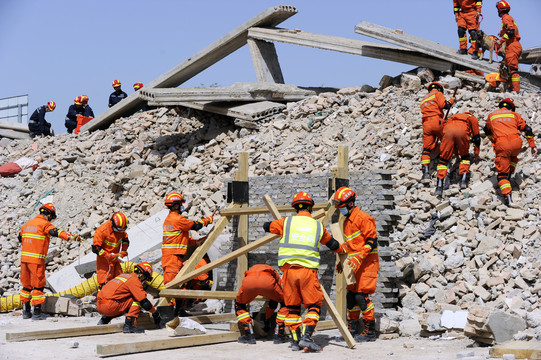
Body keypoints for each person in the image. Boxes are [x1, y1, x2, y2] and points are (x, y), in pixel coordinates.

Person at [263, 191, 343, 352]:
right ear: (311, 208)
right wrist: (343, 249)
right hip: (307, 272)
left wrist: (275, 225)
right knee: (314, 305)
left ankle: (295, 341)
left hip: (289, 273)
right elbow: (333, 245)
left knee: (292, 307)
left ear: (295, 208)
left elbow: (266, 226)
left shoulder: (286, 223)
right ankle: (307, 337)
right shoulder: (317, 226)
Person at [332, 187, 379, 342]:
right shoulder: (346, 222)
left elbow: (372, 242)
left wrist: (360, 257)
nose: (341, 211)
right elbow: (348, 245)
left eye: (342, 207)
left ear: (351, 203)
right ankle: (351, 330)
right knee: (351, 297)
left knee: (361, 297)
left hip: (367, 264)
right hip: (353, 265)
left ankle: (369, 331)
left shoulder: (363, 218)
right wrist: (342, 261)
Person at [19, 203, 80, 320]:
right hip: (36, 260)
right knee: (38, 286)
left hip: (24, 260)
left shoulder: (27, 225)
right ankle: (36, 313)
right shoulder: (45, 224)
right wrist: (71, 237)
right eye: (51, 217)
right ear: (48, 214)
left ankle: (25, 312)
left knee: (26, 286)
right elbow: (56, 232)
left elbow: (20, 238)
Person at [162, 192, 215, 316]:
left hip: (174, 257)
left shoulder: (170, 219)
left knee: (181, 285)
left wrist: (196, 241)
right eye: (180, 204)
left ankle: (179, 311)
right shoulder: (177, 219)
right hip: (172, 258)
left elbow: (180, 237)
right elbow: (195, 225)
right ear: (175, 206)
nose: (181, 206)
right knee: (171, 287)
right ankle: (168, 316)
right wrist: (208, 220)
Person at [484, 98, 537, 205]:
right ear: (511, 107)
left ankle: (507, 197)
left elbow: (486, 130)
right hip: (517, 143)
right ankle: (510, 174)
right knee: (513, 157)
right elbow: (528, 129)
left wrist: (493, 141)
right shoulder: (514, 115)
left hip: (502, 145)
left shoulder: (492, 115)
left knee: (501, 174)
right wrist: (532, 145)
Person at [96, 262, 162, 333]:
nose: (144, 281)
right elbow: (145, 303)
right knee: (137, 300)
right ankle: (129, 326)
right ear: (142, 275)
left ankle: (105, 319)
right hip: (109, 307)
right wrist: (155, 313)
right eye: (145, 278)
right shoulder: (135, 280)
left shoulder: (123, 276)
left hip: (99, 306)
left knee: (122, 300)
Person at [234, 264, 289, 345]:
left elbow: (246, 281)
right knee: (285, 302)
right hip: (267, 282)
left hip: (249, 282)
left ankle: (249, 334)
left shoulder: (252, 269)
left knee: (239, 303)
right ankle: (279, 334)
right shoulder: (270, 269)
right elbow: (278, 282)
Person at [435, 112, 481, 195]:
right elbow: (476, 138)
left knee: (443, 160)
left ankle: (439, 185)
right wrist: (476, 153)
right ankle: (463, 180)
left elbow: (453, 143)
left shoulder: (452, 117)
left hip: (448, 130)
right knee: (465, 156)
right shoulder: (472, 118)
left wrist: (456, 156)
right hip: (462, 130)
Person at [419, 82, 455, 180]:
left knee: (426, 148)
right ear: (439, 89)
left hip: (426, 124)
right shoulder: (437, 94)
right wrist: (452, 100)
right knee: (445, 141)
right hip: (436, 121)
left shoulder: (424, 99)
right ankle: (445, 165)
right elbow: (445, 105)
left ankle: (425, 172)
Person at [92, 212, 130, 290]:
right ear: (112, 223)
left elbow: (125, 239)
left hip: (115, 260)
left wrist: (124, 250)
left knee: (120, 281)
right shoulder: (102, 231)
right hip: (104, 262)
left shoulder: (120, 230)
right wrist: (108, 256)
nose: (120, 232)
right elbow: (96, 248)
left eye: (122, 230)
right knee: (104, 285)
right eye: (119, 229)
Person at [495, 1, 522, 92]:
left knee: (513, 69)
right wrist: (501, 32)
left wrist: (500, 41)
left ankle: (516, 91)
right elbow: (507, 29)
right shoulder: (507, 18)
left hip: (513, 46)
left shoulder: (506, 18)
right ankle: (510, 88)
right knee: (507, 68)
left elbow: (511, 32)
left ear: (499, 10)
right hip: (511, 46)